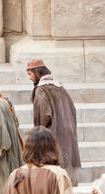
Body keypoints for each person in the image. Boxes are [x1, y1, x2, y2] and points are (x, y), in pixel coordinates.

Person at [27, 58, 81, 186]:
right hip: (69, 136)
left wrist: (38, 138)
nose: (29, 78)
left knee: (56, 183)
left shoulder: (41, 90)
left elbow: (43, 117)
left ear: (38, 73)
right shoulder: (60, 87)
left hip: (53, 138)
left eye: (30, 74)